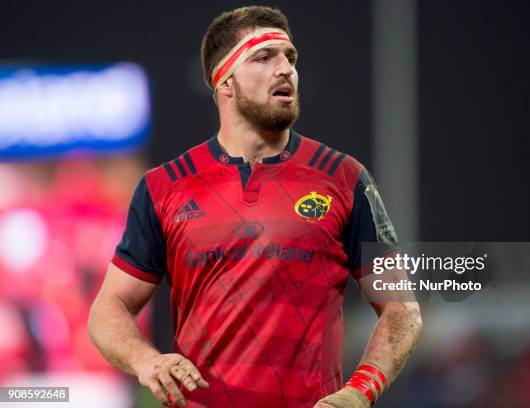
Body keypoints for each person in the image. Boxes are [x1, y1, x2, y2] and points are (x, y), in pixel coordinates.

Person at [88, 5, 422, 408]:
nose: (286, 69)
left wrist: (359, 391)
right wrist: (146, 360)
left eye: (290, 57)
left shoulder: (344, 177)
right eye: (265, 57)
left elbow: (402, 309)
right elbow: (108, 309)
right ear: (225, 82)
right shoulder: (164, 186)